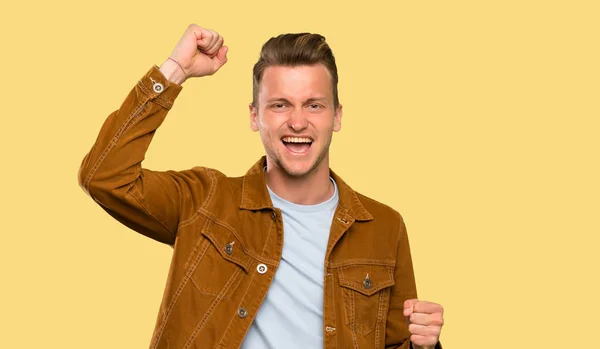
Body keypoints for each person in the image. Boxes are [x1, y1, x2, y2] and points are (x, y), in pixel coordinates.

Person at [77, 24, 444, 349]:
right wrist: (175, 70)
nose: (297, 122)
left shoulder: (383, 227)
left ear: (337, 116)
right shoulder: (204, 202)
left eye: (314, 105)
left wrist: (423, 346)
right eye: (280, 105)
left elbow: (396, 343)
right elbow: (104, 175)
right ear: (255, 116)